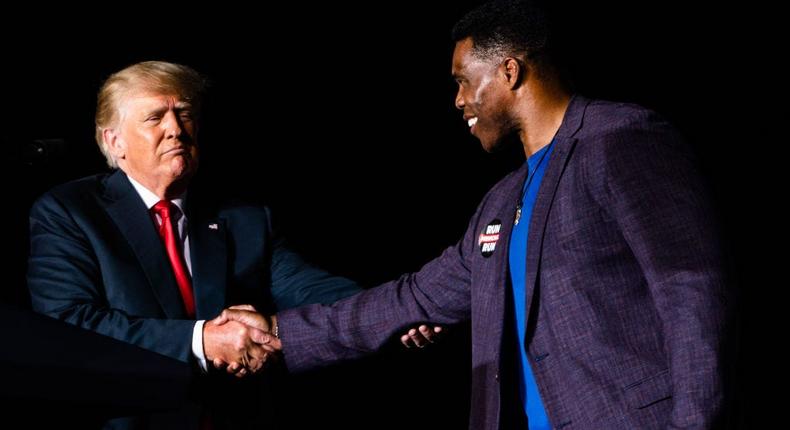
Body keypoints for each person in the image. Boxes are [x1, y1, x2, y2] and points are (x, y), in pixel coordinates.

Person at [219, 1, 733, 428]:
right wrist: (280, 331)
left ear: (510, 70)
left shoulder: (619, 140)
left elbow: (691, 290)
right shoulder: (501, 200)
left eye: (465, 81)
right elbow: (416, 295)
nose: (459, 100)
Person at [26, 60, 437, 429]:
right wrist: (201, 340)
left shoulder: (241, 214)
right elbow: (69, 323)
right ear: (114, 141)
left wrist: (389, 312)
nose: (176, 128)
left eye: (184, 113)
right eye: (155, 118)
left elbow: (307, 286)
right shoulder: (69, 211)